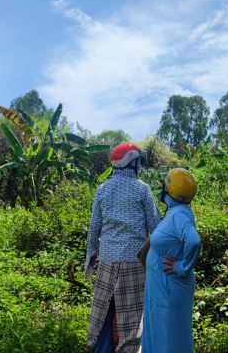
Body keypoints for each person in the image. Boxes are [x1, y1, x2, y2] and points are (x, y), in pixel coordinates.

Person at [85, 142, 161, 353]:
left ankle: (97, 348)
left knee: (102, 313)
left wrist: (92, 257)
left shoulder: (103, 189)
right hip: (134, 262)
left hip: (107, 259)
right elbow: (156, 227)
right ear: (133, 162)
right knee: (132, 318)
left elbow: (94, 228)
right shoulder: (142, 188)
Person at [141, 168, 201, 353]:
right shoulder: (178, 211)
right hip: (163, 287)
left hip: (170, 286)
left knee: (169, 338)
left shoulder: (179, 214)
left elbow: (194, 240)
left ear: (170, 191)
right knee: (161, 333)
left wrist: (181, 267)